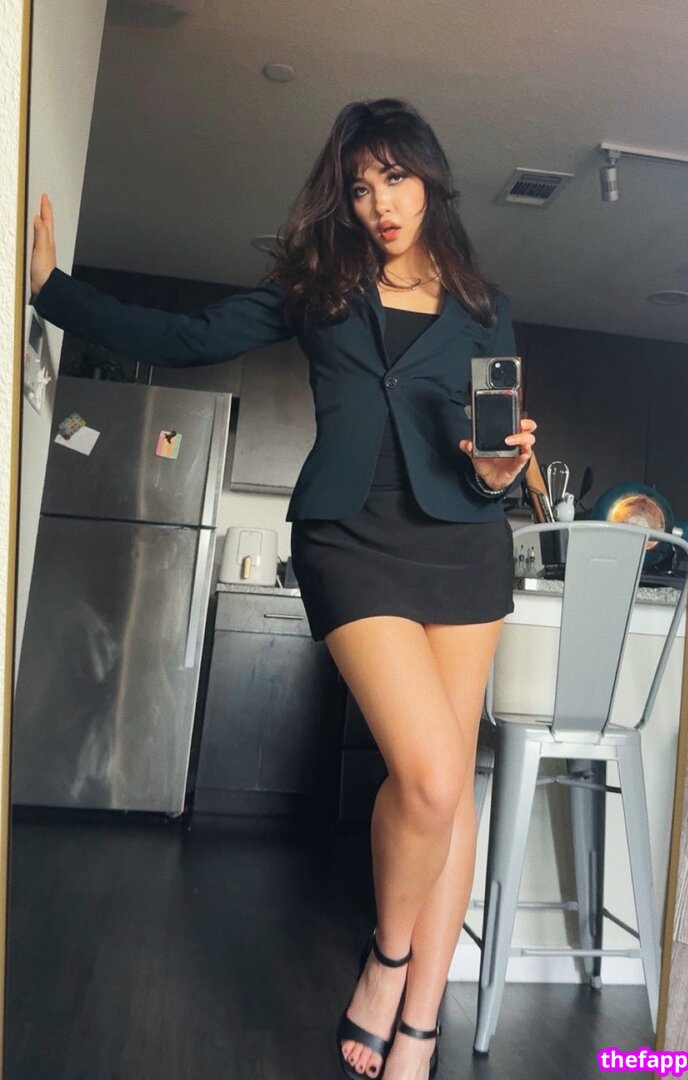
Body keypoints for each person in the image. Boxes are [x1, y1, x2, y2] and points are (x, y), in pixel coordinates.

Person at [30, 98, 536, 1080]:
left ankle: (421, 1027)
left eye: (395, 177)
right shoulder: (320, 290)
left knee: (450, 800)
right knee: (431, 776)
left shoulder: (486, 309)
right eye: (361, 185)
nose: (380, 203)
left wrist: (498, 471)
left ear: (430, 178)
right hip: (350, 536)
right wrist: (52, 291)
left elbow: (488, 457)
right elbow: (186, 336)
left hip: (464, 545)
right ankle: (388, 957)